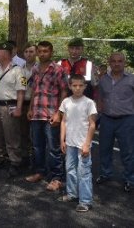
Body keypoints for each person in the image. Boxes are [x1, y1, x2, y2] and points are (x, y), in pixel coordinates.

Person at [25, 41, 68, 191]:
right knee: (37, 146)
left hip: (51, 115)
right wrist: (30, 108)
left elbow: (64, 92)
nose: (43, 54)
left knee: (53, 148)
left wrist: (59, 113)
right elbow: (34, 91)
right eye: (40, 51)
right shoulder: (35, 69)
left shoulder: (58, 70)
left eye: (46, 51)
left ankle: (57, 178)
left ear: (51, 52)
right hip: (36, 114)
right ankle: (40, 172)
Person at [58, 74, 97, 212]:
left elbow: (92, 125)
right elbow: (63, 121)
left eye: (81, 85)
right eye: (74, 85)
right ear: (69, 86)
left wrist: (87, 144)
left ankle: (85, 201)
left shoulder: (89, 103)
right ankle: (72, 193)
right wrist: (62, 139)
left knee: (84, 172)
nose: (77, 88)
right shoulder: (66, 102)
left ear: (85, 87)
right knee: (70, 169)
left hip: (82, 144)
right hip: (70, 143)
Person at [0, 42, 26, 177]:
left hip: (10, 106)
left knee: (11, 135)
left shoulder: (19, 70)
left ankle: (15, 162)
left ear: (6, 54)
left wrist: (19, 108)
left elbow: (21, 91)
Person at [96, 52, 134, 192]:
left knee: (128, 151)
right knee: (104, 149)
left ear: (124, 63)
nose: (117, 63)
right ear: (109, 62)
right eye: (113, 61)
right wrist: (99, 109)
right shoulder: (103, 79)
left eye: (120, 61)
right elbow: (100, 96)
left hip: (127, 120)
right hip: (107, 119)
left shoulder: (131, 79)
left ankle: (130, 179)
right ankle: (106, 173)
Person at [20, 42, 37, 167]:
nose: (28, 54)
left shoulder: (40, 68)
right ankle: (24, 158)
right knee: (23, 132)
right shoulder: (20, 69)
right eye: (26, 52)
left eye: (31, 51)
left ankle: (36, 160)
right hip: (23, 103)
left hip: (37, 105)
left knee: (35, 134)